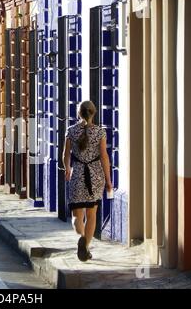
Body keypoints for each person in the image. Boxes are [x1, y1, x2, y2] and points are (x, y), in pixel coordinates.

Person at [62, 101, 112, 262]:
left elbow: (65, 155)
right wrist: (109, 180)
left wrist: (67, 169)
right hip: (95, 175)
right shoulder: (100, 132)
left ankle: (81, 237)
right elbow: (104, 157)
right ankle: (85, 246)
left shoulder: (70, 131)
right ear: (93, 113)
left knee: (77, 215)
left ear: (79, 113)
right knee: (92, 214)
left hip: (77, 175)